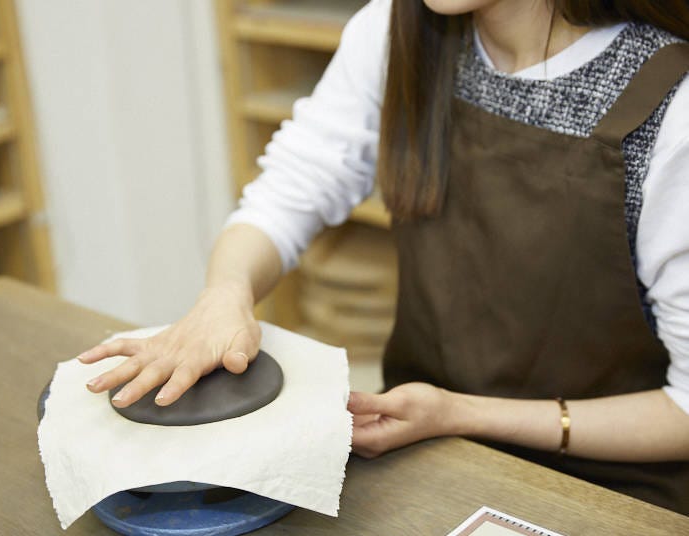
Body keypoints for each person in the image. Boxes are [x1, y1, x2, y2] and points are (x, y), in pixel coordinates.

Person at [78, 0, 689, 514]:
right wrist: (225, 294)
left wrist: (461, 414)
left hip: (612, 489)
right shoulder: (396, 29)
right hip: (418, 450)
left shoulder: (670, 101)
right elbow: (291, 191)